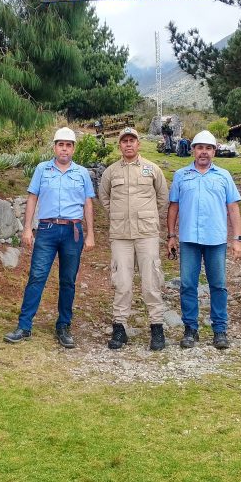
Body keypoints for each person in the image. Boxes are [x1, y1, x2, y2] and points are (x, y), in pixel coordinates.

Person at [4, 127, 95, 348]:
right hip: (46, 230)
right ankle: (24, 326)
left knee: (67, 280)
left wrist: (91, 234)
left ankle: (63, 326)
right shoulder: (42, 170)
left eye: (69, 145)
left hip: (73, 232)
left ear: (73, 148)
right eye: (61, 144)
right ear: (54, 147)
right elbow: (32, 198)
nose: (64, 149)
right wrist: (27, 228)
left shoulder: (82, 173)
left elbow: (88, 203)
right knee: (37, 276)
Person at [167, 130, 241, 350]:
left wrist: (237, 238)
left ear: (214, 151)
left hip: (216, 239)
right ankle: (190, 329)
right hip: (189, 238)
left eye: (208, 148)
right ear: (193, 150)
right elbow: (174, 207)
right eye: (199, 148)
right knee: (188, 285)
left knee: (218, 285)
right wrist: (171, 236)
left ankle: (220, 330)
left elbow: (233, 208)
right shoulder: (181, 175)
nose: (203, 152)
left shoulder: (224, 176)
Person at [99, 127, 169, 351]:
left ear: (138, 144)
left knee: (151, 281)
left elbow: (162, 198)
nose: (128, 144)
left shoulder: (152, 169)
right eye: (124, 141)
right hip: (120, 235)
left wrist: (146, 216)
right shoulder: (111, 172)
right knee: (122, 282)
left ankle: (157, 327)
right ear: (119, 145)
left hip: (146, 233)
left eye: (132, 141)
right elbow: (104, 197)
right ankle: (119, 328)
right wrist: (119, 217)